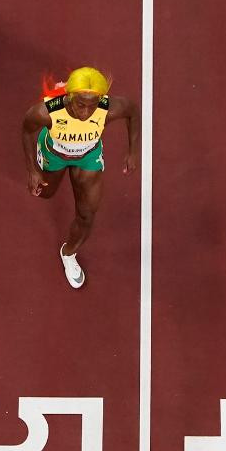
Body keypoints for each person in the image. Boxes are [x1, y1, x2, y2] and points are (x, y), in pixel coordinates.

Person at [20, 67, 140, 288]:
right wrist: (32, 170)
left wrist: (133, 151)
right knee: (45, 194)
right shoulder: (47, 112)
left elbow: (133, 111)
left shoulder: (107, 108)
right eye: (80, 105)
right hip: (54, 154)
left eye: (92, 105)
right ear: (70, 97)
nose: (86, 113)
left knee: (86, 216)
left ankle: (69, 254)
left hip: (87, 157)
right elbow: (26, 130)